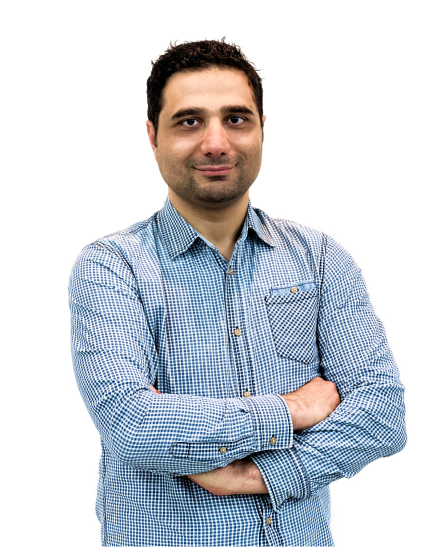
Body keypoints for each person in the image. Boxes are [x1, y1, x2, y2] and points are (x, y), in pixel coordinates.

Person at [68, 36, 408, 547]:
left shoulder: (322, 257)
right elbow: (132, 423)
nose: (216, 143)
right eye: (189, 121)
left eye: (236, 119)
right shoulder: (110, 266)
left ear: (262, 129)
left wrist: (260, 475)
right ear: (151, 135)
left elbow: (382, 414)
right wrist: (292, 410)